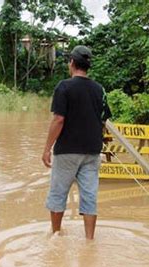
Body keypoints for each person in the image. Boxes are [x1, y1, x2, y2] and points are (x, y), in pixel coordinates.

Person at [42, 45, 112, 240]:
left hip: (67, 151)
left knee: (58, 193)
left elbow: (58, 120)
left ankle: (56, 234)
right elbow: (104, 119)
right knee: (89, 195)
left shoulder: (63, 87)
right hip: (92, 151)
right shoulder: (100, 89)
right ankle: (89, 239)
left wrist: (47, 148)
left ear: (71, 63)